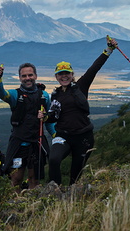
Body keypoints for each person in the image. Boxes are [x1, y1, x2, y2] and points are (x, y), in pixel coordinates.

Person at [47, 35, 118, 185]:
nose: (64, 76)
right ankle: (54, 192)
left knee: (75, 174)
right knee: (53, 160)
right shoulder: (55, 94)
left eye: (67, 73)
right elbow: (53, 117)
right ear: (56, 77)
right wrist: (44, 117)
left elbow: (94, 68)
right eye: (61, 74)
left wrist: (109, 50)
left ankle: (72, 198)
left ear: (72, 75)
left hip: (83, 137)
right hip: (63, 135)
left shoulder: (81, 86)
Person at [0, 63, 55, 189]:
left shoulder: (45, 96)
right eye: (24, 76)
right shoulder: (16, 95)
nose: (27, 78)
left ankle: (32, 206)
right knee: (16, 179)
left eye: (30, 75)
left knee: (34, 179)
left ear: (36, 76)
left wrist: (56, 136)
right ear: (20, 78)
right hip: (19, 143)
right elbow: (2, 94)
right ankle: (15, 205)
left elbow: (48, 121)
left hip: (37, 142)